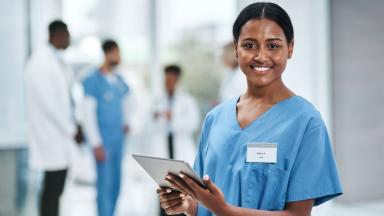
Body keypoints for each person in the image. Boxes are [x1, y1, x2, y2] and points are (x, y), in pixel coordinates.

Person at [157, 2, 343, 216]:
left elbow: (298, 214)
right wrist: (185, 204)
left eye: (273, 46)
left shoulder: (306, 122)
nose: (261, 56)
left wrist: (224, 210)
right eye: (249, 45)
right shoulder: (215, 119)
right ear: (236, 49)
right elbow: (202, 202)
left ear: (290, 48)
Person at [25, 20, 78, 216]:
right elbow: (51, 105)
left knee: (55, 189)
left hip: (58, 135)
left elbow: (66, 99)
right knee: (52, 189)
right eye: (67, 34)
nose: (69, 39)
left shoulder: (55, 61)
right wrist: (71, 129)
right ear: (56, 34)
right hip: (50, 136)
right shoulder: (40, 63)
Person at [82, 39, 130, 216]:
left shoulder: (118, 80)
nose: (119, 57)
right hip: (103, 143)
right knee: (105, 185)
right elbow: (88, 115)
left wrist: (128, 122)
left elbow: (128, 101)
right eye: (116, 53)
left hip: (118, 140)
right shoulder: (92, 80)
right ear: (107, 54)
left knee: (117, 184)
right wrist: (96, 143)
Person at [152, 65, 200, 216]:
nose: (168, 82)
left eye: (171, 78)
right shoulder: (158, 100)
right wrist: (158, 117)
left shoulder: (187, 101)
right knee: (163, 191)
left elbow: (193, 123)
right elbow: (151, 123)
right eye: (166, 79)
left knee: (181, 191)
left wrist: (171, 118)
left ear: (177, 79)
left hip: (180, 148)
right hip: (163, 148)